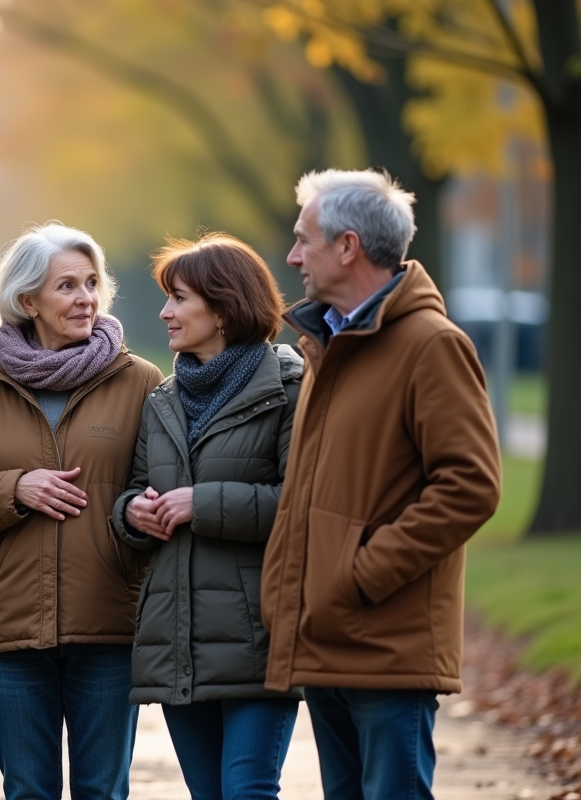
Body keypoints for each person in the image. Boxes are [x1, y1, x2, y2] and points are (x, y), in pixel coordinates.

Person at [261, 168, 502, 800]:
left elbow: (470, 485)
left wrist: (361, 573)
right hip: (328, 636)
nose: (292, 257)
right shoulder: (328, 344)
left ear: (348, 247)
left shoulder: (430, 345)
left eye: (302, 240)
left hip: (387, 643)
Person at [0, 223, 163, 800]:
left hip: (109, 620)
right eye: (67, 286)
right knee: (28, 791)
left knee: (102, 791)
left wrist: (136, 515)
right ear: (27, 300)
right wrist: (16, 489)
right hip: (11, 627)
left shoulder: (140, 382)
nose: (85, 298)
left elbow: (155, 491)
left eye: (91, 284)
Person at [110, 233, 302, 800]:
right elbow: (133, 492)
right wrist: (133, 514)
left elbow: (303, 505)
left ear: (223, 308)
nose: (165, 312)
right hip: (177, 642)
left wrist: (204, 504)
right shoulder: (162, 400)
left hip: (259, 635)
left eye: (180, 299)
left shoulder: (291, 391)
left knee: (248, 789)